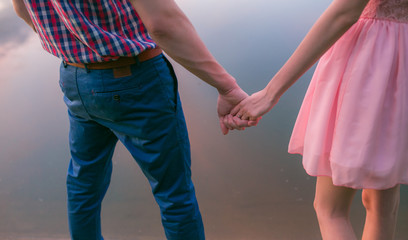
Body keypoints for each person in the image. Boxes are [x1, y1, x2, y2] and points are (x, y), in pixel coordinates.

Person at [12, 0, 257, 239]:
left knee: (83, 181)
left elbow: (22, 8)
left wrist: (77, 42)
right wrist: (227, 88)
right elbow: (163, 23)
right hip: (135, 79)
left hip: (75, 78)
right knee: (174, 193)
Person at [230, 0, 407, 239]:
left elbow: (344, 12)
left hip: (370, 62)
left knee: (330, 209)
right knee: (381, 206)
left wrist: (270, 93)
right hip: (401, 58)